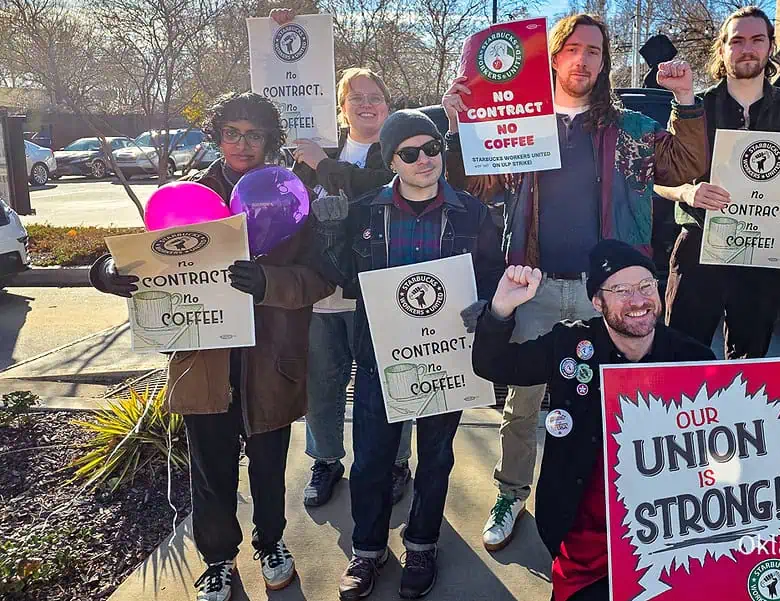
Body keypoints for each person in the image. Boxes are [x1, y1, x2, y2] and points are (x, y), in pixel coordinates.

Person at [441, 13, 709, 552]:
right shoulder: (521, 122)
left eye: (594, 50)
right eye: (572, 49)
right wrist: (460, 126)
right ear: (553, 56)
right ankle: (511, 492)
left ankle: (612, 494)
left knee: (609, 402)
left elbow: (684, 164)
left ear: (603, 61)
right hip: (533, 284)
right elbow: (473, 180)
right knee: (523, 401)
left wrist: (686, 101)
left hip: (606, 291)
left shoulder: (628, 126)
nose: (583, 59)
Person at [469, 239, 780, 601]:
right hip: (586, 540)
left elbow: (730, 458)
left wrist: (779, 488)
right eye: (620, 290)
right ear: (597, 301)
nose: (637, 300)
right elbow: (493, 365)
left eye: (645, 286)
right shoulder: (571, 346)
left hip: (671, 539)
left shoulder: (693, 359)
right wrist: (501, 309)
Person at [89, 92, 334, 601]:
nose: (242, 144)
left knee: (269, 465)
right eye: (232, 132)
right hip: (203, 361)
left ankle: (272, 543)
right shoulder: (188, 197)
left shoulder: (292, 196)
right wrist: (108, 272)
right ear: (217, 135)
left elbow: (321, 278)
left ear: (270, 141)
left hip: (270, 360)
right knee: (210, 468)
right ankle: (218, 560)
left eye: (255, 134)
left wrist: (269, 282)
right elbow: (140, 257)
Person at [309, 109, 504, 599]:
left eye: (432, 148)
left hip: (449, 358)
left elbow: (492, 273)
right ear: (390, 159)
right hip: (380, 356)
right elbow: (346, 280)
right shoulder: (363, 211)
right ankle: (367, 549)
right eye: (410, 153)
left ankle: (422, 543)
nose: (425, 160)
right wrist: (330, 236)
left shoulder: (474, 214)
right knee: (372, 460)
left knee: (437, 459)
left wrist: (486, 305)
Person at [269, 8, 415, 510]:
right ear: (341, 106)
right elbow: (291, 211)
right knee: (324, 386)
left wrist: (324, 165)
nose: (367, 105)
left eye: (376, 98)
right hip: (324, 294)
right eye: (357, 98)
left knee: (394, 386)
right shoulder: (312, 154)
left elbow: (375, 196)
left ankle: (396, 462)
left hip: (383, 296)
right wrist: (285, 29)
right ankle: (326, 460)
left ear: (388, 107)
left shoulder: (400, 155)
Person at [655, 6, 780, 360]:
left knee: (750, 361)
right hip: (700, 245)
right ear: (722, 49)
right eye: (737, 40)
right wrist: (687, 191)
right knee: (681, 357)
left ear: (770, 46)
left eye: (757, 39)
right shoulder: (695, 105)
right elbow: (662, 179)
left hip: (765, 251)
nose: (747, 48)